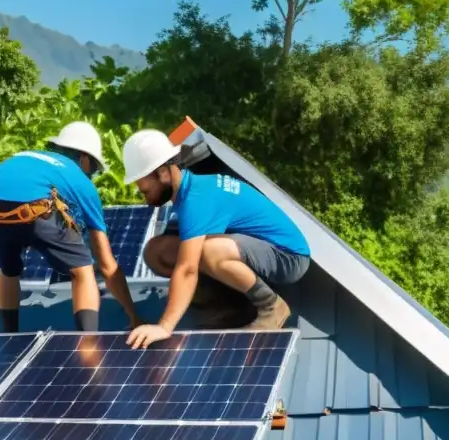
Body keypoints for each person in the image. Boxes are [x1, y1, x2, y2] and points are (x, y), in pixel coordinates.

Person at [120, 129, 310, 349]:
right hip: (255, 250)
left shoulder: (197, 199)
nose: (142, 193)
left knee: (209, 251)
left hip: (288, 257)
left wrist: (164, 326)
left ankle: (271, 306)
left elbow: (187, 269)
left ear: (163, 172)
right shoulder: (187, 193)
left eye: (143, 187)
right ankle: (225, 305)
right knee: (157, 251)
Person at [0, 121, 140, 333]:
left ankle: (9, 335)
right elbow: (107, 265)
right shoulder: (82, 183)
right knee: (83, 270)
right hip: (35, 209)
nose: (92, 173)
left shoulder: (25, 156)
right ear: (85, 159)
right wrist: (134, 315)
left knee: (9, 269)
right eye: (94, 167)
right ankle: (88, 343)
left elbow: (7, 188)